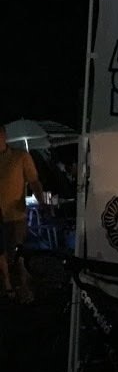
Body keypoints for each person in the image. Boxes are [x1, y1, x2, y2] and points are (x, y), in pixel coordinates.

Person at [0, 124, 44, 302]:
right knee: (2, 255)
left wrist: (42, 201)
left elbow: (34, 181)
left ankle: (25, 288)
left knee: (18, 253)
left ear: (4, 136)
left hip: (15, 215)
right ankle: (8, 287)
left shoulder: (20, 157)